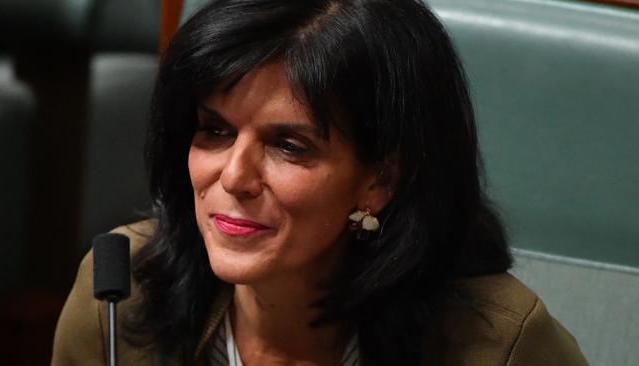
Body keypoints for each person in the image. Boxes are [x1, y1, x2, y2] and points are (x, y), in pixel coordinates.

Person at [52, 0, 588, 365]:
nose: (234, 177)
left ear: (379, 179)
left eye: (289, 146)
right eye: (214, 131)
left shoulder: (500, 348)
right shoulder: (117, 298)